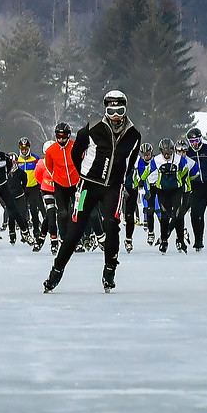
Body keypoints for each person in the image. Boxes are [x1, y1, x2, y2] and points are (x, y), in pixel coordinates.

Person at [44, 91, 144, 293]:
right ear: (105, 110)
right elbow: (75, 153)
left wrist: (122, 181)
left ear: (125, 110)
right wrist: (85, 172)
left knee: (112, 224)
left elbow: (131, 163)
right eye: (111, 110)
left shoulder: (134, 135)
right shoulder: (91, 129)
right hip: (88, 186)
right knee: (75, 229)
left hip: (113, 188)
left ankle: (109, 271)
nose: (116, 115)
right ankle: (56, 271)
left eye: (120, 111)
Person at [39, 122, 80, 255]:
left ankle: (78, 239)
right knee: (62, 213)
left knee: (77, 212)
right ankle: (63, 239)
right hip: (60, 185)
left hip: (75, 184)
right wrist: (57, 177)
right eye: (59, 137)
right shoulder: (51, 151)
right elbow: (49, 167)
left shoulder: (75, 147)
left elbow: (83, 161)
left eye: (64, 137)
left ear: (68, 136)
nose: (61, 140)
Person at [150, 138, 190, 254]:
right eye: (164, 153)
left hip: (176, 190)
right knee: (164, 216)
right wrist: (141, 181)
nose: (167, 155)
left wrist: (182, 181)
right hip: (162, 191)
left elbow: (186, 170)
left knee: (178, 215)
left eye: (169, 153)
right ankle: (164, 241)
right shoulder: (156, 160)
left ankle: (180, 240)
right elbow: (149, 173)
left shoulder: (179, 159)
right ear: (161, 151)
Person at [15, 139, 43, 246]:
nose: (24, 151)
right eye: (22, 149)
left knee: (34, 211)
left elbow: (40, 171)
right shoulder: (17, 160)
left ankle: (36, 232)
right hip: (23, 189)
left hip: (33, 188)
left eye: (26, 148)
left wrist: (40, 185)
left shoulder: (35, 158)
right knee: (23, 212)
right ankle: (25, 233)